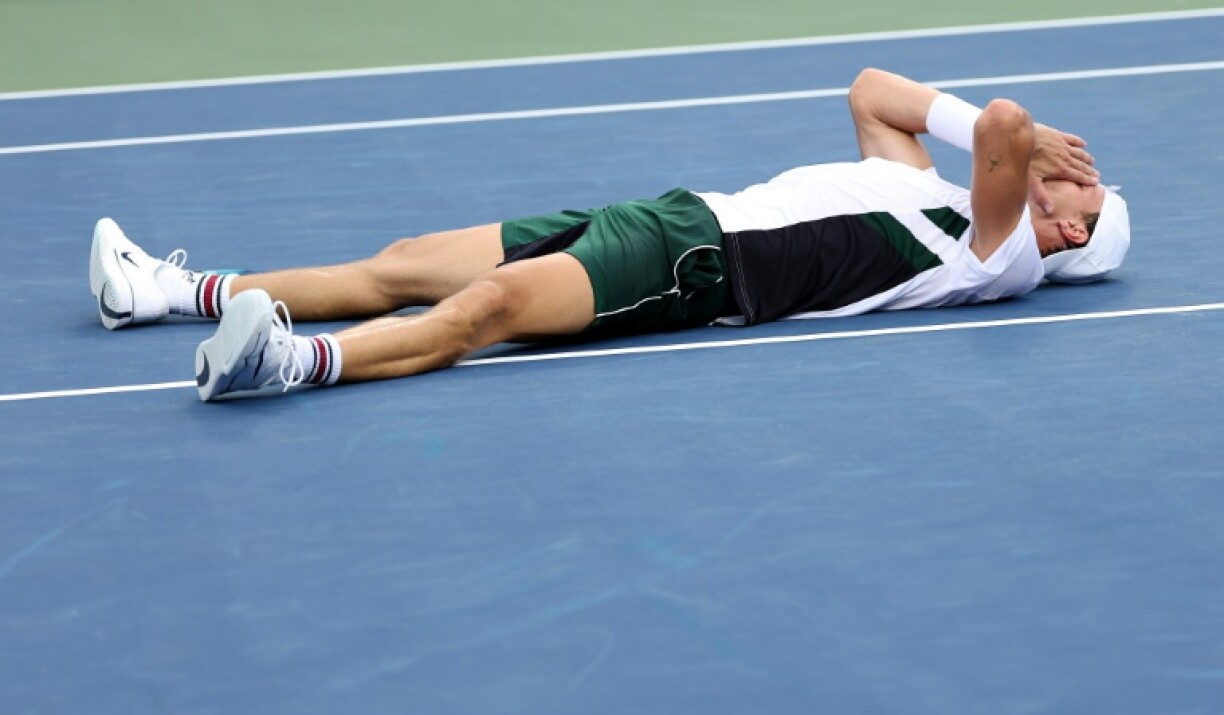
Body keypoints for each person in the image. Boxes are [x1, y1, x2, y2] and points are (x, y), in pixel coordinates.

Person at [88, 67, 1130, 402]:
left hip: (702, 270)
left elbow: (996, 127)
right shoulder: (925, 189)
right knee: (402, 264)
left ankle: (288, 365)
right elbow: (870, 89)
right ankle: (173, 294)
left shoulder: (993, 258)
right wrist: (1022, 149)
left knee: (484, 313)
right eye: (1069, 183)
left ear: (1071, 242)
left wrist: (1034, 144)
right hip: (669, 214)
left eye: (1080, 203)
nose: (1064, 192)